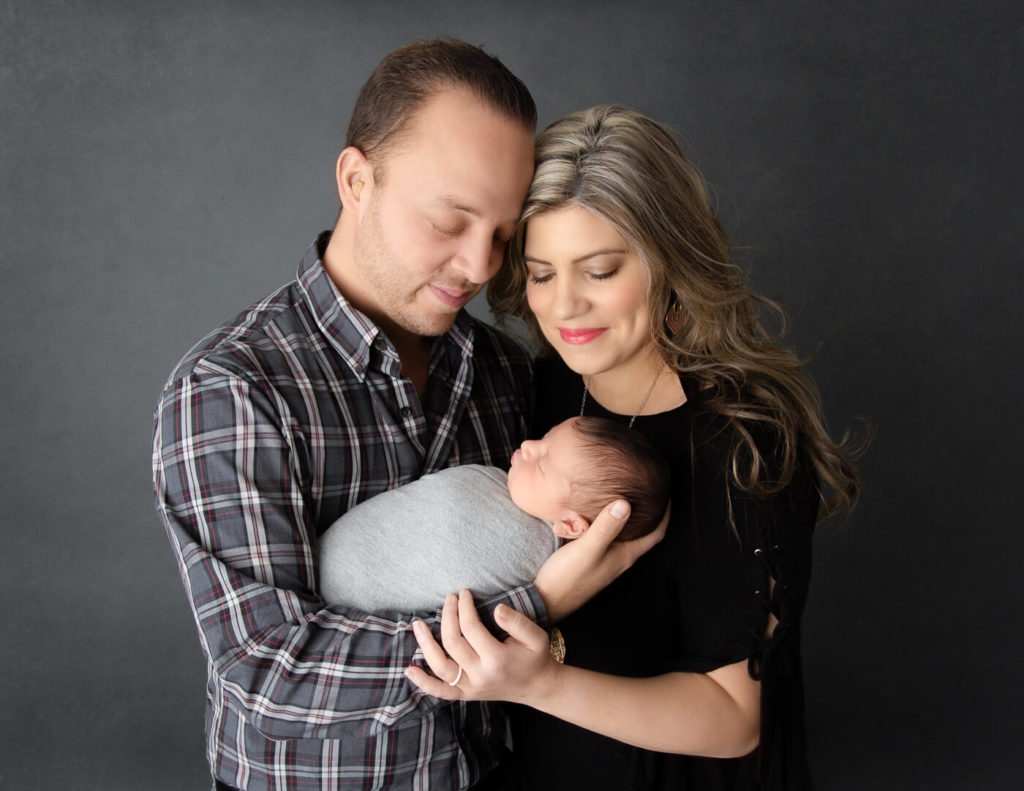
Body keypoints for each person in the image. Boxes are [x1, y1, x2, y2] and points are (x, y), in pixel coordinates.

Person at [151, 44, 663, 791]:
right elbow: (270, 671)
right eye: (450, 220)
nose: (483, 266)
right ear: (357, 180)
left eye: (502, 234)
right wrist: (537, 607)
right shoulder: (232, 388)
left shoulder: (506, 369)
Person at [405, 105, 861, 791]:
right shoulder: (540, 390)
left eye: (600, 269)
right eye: (542, 272)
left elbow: (734, 718)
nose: (564, 309)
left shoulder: (744, 439)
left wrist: (541, 682)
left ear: (668, 260)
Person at [319, 415, 671, 613]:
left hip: (351, 607)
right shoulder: (491, 481)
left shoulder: (540, 565)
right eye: (544, 437)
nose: (529, 446)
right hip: (325, 565)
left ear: (570, 524)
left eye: (544, 463)